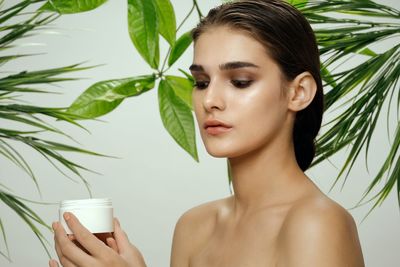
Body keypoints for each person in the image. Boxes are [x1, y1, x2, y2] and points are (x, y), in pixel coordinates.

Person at [50, 0, 365, 266]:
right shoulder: (194, 227)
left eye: (240, 81)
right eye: (201, 83)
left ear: (299, 92)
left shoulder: (317, 224)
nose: (210, 101)